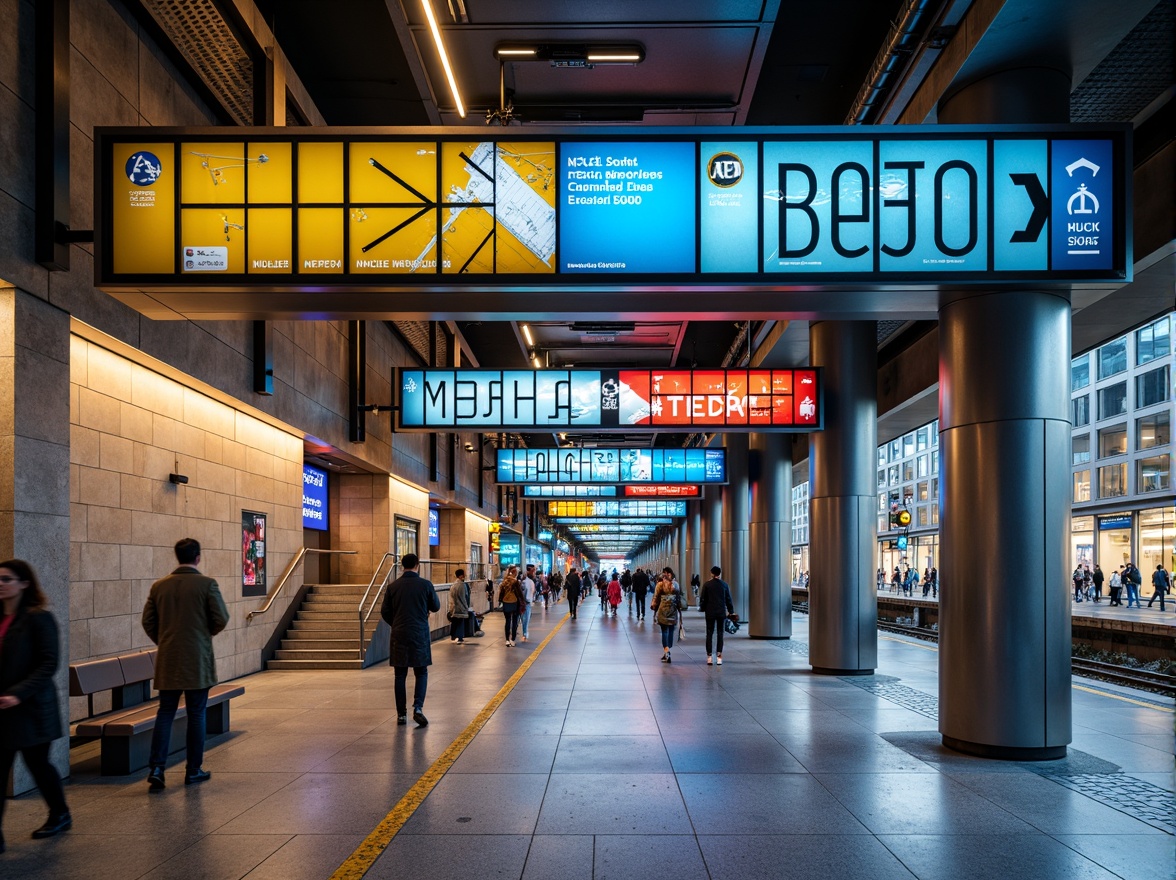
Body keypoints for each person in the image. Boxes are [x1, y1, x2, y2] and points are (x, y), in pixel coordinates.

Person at [141, 538, 230, 790]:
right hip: (196, 659)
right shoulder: (207, 584)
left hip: (169, 658)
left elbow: (148, 621)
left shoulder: (159, 586)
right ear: (198, 557)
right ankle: (193, 770)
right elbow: (221, 618)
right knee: (196, 713)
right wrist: (203, 636)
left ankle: (157, 768)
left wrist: (165, 640)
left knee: (165, 713)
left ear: (177, 556)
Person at [0, 559, 71, 850]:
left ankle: (60, 813)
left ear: (24, 583)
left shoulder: (38, 618)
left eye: (6, 579)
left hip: (31, 708)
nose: (1, 584)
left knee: (38, 764)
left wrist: (18, 693)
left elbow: (48, 663)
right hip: (2, 710)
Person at [381, 553, 440, 727]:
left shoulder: (393, 587)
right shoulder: (425, 585)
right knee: (421, 672)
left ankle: (401, 715)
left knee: (400, 675)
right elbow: (436, 606)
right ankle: (418, 708)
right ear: (417, 565)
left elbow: (385, 612)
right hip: (419, 634)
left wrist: (396, 623)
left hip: (399, 634)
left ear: (402, 566)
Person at [698, 565, 735, 666]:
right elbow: (728, 599)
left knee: (709, 633)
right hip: (720, 613)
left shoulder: (707, 585)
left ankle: (709, 656)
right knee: (720, 633)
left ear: (712, 573)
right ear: (720, 574)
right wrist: (731, 611)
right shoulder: (724, 585)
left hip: (710, 612)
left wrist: (703, 608)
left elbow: (703, 599)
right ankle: (719, 656)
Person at [652, 570, 683, 663]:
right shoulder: (676, 585)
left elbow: (656, 598)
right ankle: (668, 649)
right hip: (673, 610)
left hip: (663, 610)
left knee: (664, 631)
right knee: (670, 630)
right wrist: (679, 610)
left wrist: (654, 609)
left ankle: (666, 651)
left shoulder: (660, 585)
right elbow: (678, 599)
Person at [497, 566, 525, 646]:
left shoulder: (504, 581)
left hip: (506, 603)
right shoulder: (515, 582)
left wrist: (500, 601)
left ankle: (507, 640)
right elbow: (519, 593)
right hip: (514, 603)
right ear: (515, 573)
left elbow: (501, 593)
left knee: (508, 621)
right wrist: (523, 601)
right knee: (515, 621)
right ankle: (512, 639)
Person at [449, 568, 470, 643]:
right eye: (464, 574)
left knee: (454, 621)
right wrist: (466, 607)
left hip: (454, 607)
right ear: (461, 576)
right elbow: (464, 597)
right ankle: (460, 637)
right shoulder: (462, 585)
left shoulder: (453, 585)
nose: (465, 575)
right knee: (461, 622)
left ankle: (453, 636)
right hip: (461, 607)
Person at [520, 564, 538, 641]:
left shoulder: (526, 581)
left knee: (523, 619)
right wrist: (528, 600)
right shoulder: (527, 582)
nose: (534, 573)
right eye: (533, 571)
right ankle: (524, 634)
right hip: (525, 603)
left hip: (524, 602)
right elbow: (526, 593)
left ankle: (523, 633)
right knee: (525, 619)